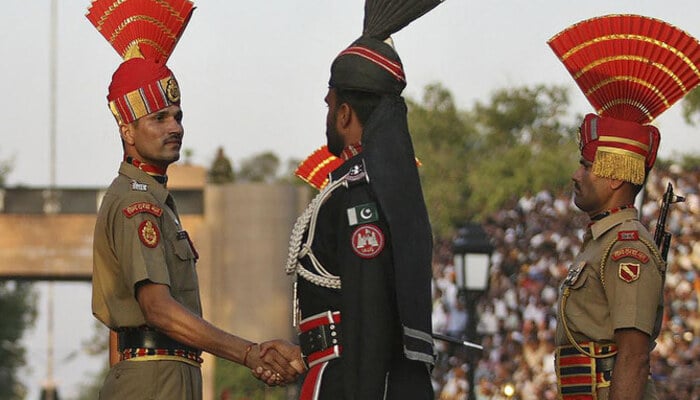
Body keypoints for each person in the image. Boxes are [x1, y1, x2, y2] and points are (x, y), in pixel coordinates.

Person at [86, 1, 303, 399]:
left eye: (178, 116)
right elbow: (157, 309)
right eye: (159, 118)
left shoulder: (159, 203)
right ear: (128, 131)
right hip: (154, 381)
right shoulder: (137, 206)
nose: (175, 128)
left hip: (169, 374)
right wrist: (249, 353)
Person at [263, 0, 445, 398]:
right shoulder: (380, 188)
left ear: (345, 114)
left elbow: (369, 315)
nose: (326, 113)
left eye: (329, 104)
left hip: (351, 382)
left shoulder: (359, 195)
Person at [547, 14, 700, 400]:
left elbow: (633, 358)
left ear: (615, 176)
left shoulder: (625, 247)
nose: (576, 175)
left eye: (586, 165)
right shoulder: (601, 241)